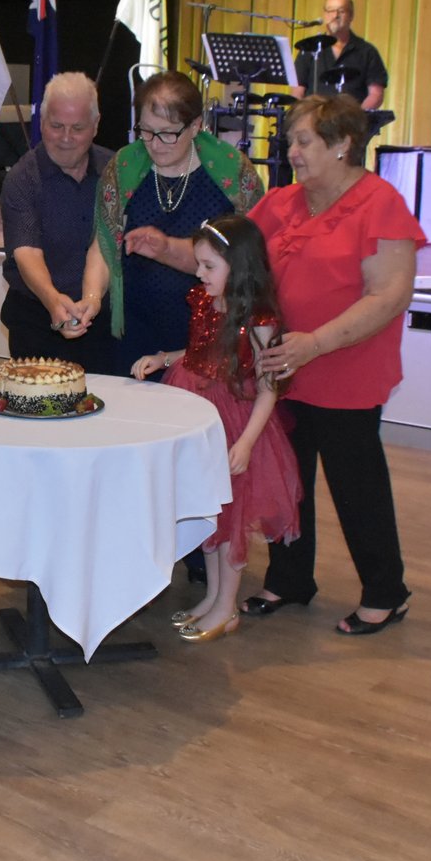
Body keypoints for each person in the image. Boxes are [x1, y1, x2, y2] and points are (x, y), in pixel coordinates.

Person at [246, 94, 426, 634]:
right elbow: (231, 252)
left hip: (347, 371)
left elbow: (389, 296)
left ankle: (386, 592)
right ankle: (290, 578)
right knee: (287, 479)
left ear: (343, 144)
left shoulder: (379, 204)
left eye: (303, 142)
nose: (292, 152)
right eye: (290, 142)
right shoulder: (282, 202)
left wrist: (316, 343)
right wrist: (166, 247)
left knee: (356, 486)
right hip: (286, 369)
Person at [130, 214, 301, 644]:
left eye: (209, 266)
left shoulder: (259, 319)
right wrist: (165, 358)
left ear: (239, 266)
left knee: (231, 515)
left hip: (233, 421)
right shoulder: (207, 300)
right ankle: (212, 597)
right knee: (209, 513)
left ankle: (227, 606)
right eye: (199, 264)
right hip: (198, 413)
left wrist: (246, 442)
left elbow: (268, 387)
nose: (199, 273)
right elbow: (202, 350)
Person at [78, 71, 264, 373]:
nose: (154, 144)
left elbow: (246, 261)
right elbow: (105, 242)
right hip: (136, 326)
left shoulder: (232, 172)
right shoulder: (124, 166)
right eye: (146, 131)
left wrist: (166, 248)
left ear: (196, 125)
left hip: (209, 330)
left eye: (167, 133)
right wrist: (92, 298)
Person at [0, 72, 116, 371]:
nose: (65, 138)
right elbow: (26, 251)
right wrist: (53, 300)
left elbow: (106, 244)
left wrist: (92, 299)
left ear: (96, 125)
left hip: (103, 324)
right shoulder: (22, 178)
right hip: (37, 322)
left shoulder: (115, 170)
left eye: (77, 128)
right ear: (42, 122)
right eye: (56, 126)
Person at [293, 0, 388, 111]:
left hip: (352, 119)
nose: (335, 15)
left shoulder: (367, 51)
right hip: (315, 118)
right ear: (324, 15)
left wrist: (357, 116)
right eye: (330, 11)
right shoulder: (309, 48)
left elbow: (376, 95)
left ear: (351, 16)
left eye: (341, 11)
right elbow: (298, 91)